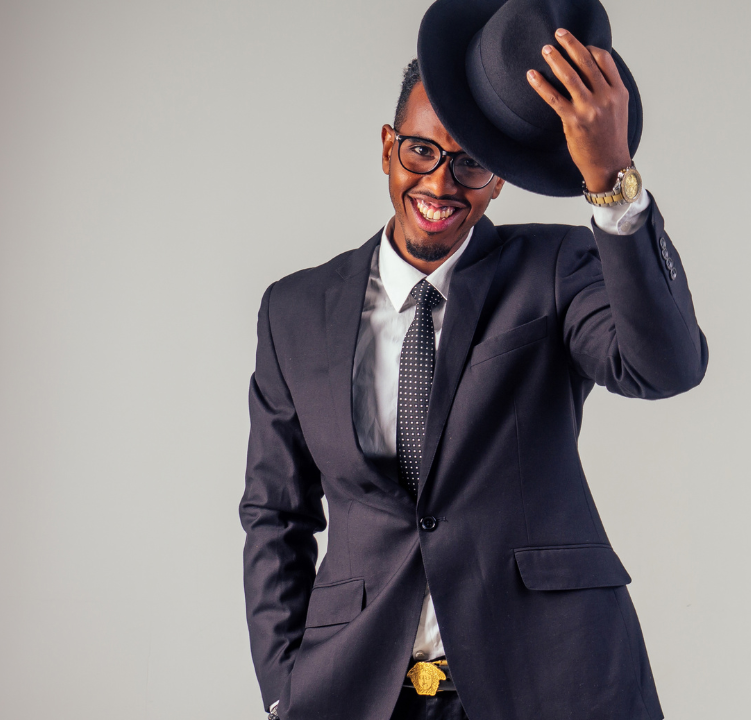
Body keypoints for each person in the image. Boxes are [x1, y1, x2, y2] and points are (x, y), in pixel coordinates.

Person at [239, 0, 706, 718]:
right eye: (421, 152)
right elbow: (275, 515)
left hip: (552, 683)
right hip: (361, 693)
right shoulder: (293, 312)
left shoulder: (555, 269)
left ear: (501, 180)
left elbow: (666, 366)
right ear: (389, 147)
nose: (440, 185)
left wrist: (613, 182)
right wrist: (284, 691)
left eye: (471, 165)